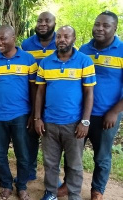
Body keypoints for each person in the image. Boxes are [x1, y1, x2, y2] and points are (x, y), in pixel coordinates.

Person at [34, 26, 96, 200]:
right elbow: (40, 92)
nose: (62, 39)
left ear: (74, 39)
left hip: (74, 123)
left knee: (75, 165)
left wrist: (85, 121)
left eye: (66, 36)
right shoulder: (46, 62)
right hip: (49, 123)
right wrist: (38, 118)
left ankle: (74, 195)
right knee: (50, 163)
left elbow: (89, 93)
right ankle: (51, 192)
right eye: (59, 36)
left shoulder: (84, 61)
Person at [0, 25, 37, 200]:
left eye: (3, 39)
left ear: (14, 38)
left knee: (23, 154)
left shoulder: (28, 60)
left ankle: (21, 187)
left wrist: (33, 115)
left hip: (21, 115)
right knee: (0, 154)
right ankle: (6, 185)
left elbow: (34, 89)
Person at [78, 11, 123, 200]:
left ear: (115, 28)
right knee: (74, 153)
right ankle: (69, 184)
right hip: (81, 113)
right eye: (97, 24)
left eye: (105, 25)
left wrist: (114, 111)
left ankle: (97, 190)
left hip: (107, 115)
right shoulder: (83, 49)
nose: (100, 28)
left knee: (102, 156)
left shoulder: (121, 51)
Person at [21, 11, 57, 183]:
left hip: (54, 102)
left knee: (54, 142)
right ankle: (30, 170)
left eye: (47, 21)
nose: (43, 24)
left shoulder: (62, 42)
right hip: (32, 99)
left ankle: (54, 178)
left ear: (54, 23)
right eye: (39, 20)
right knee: (31, 137)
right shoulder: (27, 44)